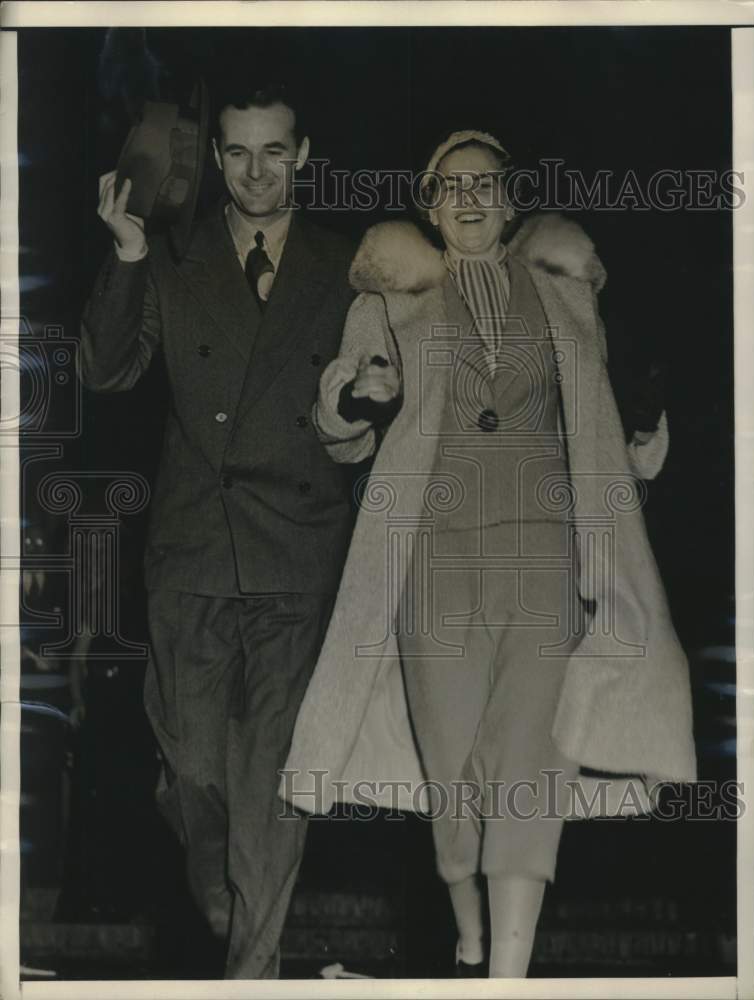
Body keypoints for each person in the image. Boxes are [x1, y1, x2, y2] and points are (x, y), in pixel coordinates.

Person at [281, 129, 696, 978]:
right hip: (432, 556)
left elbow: (606, 430)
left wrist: (645, 431)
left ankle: (507, 974)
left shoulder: (562, 291)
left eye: (486, 184)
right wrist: (358, 401)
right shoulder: (392, 297)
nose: (469, 197)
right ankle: (462, 905)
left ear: (510, 202)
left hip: (546, 552)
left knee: (530, 755)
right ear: (429, 207)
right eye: (450, 186)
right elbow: (341, 437)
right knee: (453, 758)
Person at [79, 81, 357, 979]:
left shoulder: (347, 266)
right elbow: (107, 370)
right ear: (217, 159)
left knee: (272, 786)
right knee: (195, 774)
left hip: (296, 557)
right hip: (193, 558)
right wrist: (124, 257)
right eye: (236, 152)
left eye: (274, 151)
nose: (254, 172)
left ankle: (254, 977)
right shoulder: (171, 255)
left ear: (303, 156)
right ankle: (231, 910)